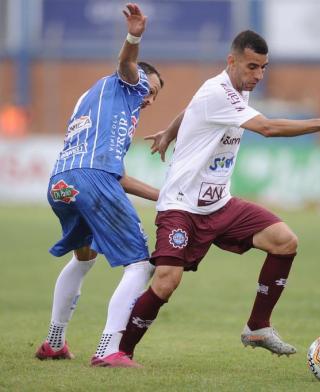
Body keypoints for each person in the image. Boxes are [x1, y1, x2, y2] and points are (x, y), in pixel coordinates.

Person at [116, 30, 320, 365]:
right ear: (230, 61)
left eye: (263, 68)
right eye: (252, 67)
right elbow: (267, 128)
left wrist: (169, 133)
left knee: (284, 241)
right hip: (182, 207)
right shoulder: (219, 92)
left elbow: (190, 109)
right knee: (166, 282)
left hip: (220, 205)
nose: (258, 76)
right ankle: (120, 353)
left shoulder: (234, 88)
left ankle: (257, 326)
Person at [35, 3, 163, 368]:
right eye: (151, 88)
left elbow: (116, 177)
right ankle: (109, 347)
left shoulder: (93, 102)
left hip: (62, 183)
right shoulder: (128, 84)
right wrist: (134, 35)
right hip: (91, 179)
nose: (150, 97)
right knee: (139, 263)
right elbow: (126, 64)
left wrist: (161, 195)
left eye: (155, 95)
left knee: (84, 257)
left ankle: (54, 341)